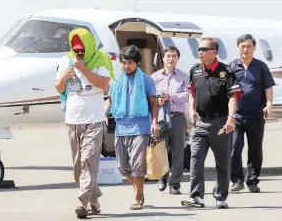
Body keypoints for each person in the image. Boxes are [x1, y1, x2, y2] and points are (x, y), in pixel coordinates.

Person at [55, 28, 114, 219]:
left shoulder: (100, 59)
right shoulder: (66, 60)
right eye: (76, 50)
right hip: (72, 120)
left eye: (82, 50)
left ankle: (82, 203)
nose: (79, 53)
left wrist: (84, 69)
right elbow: (58, 87)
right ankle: (94, 201)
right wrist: (64, 76)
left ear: (89, 47)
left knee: (89, 160)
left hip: (93, 120)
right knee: (78, 168)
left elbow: (104, 85)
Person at [181, 37, 242, 209]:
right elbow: (192, 92)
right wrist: (191, 110)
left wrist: (231, 117)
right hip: (200, 123)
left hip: (220, 122)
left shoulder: (226, 72)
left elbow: (233, 96)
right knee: (195, 159)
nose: (199, 52)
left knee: (222, 162)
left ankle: (221, 197)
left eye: (203, 49)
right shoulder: (195, 70)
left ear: (214, 52)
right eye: (198, 49)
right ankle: (196, 197)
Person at [104, 45, 159, 210]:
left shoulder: (147, 81)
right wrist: (103, 115)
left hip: (140, 128)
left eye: (129, 63)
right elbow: (110, 101)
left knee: (137, 165)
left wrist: (154, 122)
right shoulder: (116, 80)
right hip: (121, 128)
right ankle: (138, 188)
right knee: (122, 167)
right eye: (123, 62)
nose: (126, 66)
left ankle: (136, 197)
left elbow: (154, 105)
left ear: (138, 63)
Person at [229, 34, 276, 193]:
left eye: (249, 46)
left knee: (255, 150)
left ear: (254, 48)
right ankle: (236, 180)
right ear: (238, 48)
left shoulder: (261, 66)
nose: (245, 49)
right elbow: (226, 90)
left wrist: (269, 103)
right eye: (242, 46)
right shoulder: (232, 67)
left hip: (256, 115)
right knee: (235, 148)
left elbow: (268, 87)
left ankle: (253, 181)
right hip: (236, 116)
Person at [151, 46, 189, 194]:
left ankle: (175, 184)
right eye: (167, 56)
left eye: (173, 56)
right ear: (163, 58)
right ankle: (162, 178)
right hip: (160, 118)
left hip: (178, 117)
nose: (170, 59)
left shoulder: (184, 76)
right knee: (161, 151)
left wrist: (170, 96)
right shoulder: (154, 77)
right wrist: (158, 100)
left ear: (177, 59)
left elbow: (187, 96)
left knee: (178, 153)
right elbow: (150, 97)